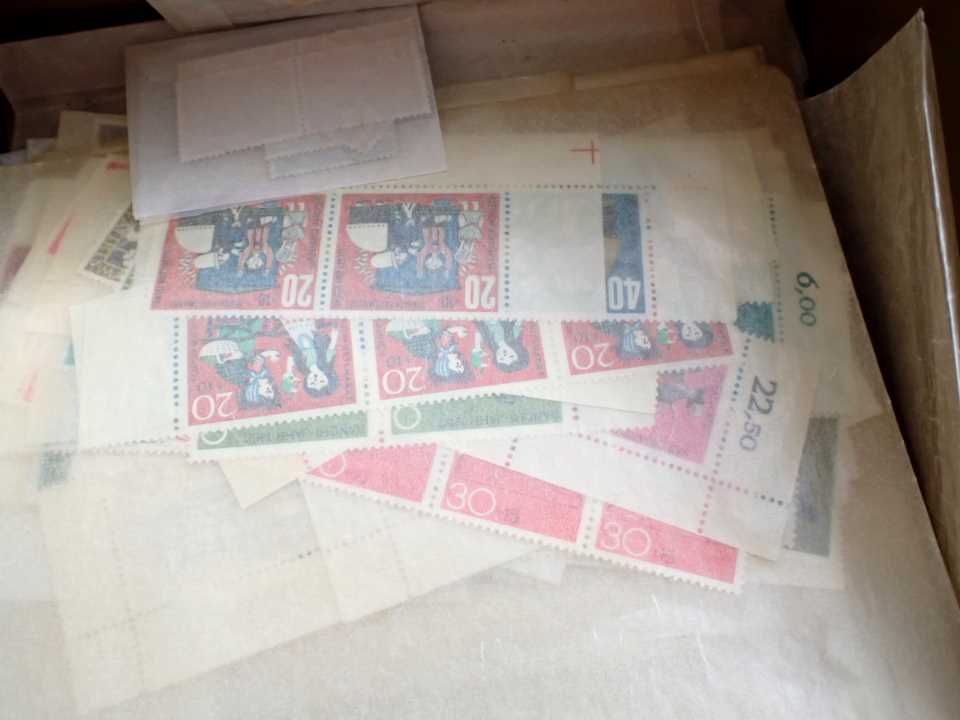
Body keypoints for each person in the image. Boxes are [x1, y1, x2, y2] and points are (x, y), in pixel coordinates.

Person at [386, 319, 472, 383]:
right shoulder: (448, 349)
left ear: (444, 365)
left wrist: (415, 332)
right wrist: (458, 329)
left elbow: (399, 335)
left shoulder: (433, 351)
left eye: (457, 368)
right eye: (461, 366)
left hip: (406, 326)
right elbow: (447, 333)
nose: (460, 365)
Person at [281, 319, 340, 397]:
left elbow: (291, 358)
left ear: (306, 382)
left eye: (312, 383)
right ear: (328, 377)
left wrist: (289, 371)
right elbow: (331, 348)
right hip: (309, 330)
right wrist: (335, 334)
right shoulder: (325, 362)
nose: (316, 379)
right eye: (321, 381)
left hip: (294, 332)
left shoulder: (302, 368)